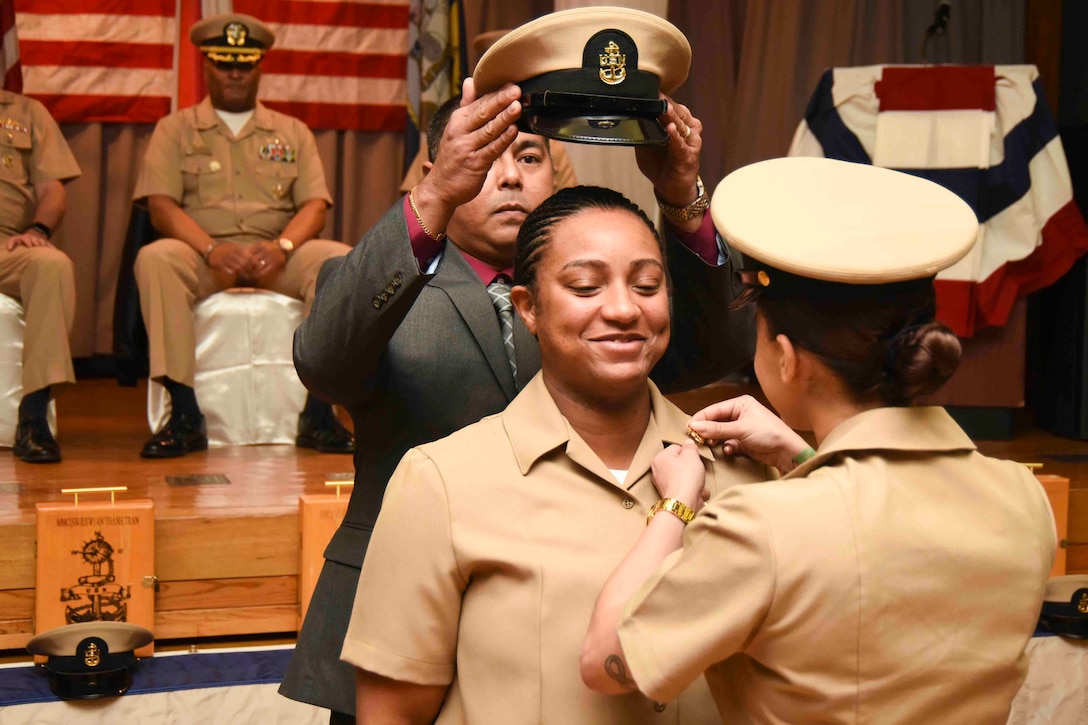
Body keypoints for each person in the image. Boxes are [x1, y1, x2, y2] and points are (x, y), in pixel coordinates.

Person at [283, 70, 752, 725]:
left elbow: (723, 346)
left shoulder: (606, 303)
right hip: (400, 634)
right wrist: (436, 197)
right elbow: (324, 361)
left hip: (575, 617)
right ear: (436, 164)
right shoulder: (387, 282)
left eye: (528, 156)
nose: (508, 176)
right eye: (482, 153)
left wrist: (681, 199)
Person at [581, 157, 1058, 724]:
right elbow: (880, 539)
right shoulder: (1020, 497)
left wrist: (675, 504)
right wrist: (803, 456)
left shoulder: (763, 530)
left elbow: (608, 660)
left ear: (786, 358)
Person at [342, 185, 767, 724]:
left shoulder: (741, 470)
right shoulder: (442, 482)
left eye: (647, 285)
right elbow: (392, 714)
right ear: (528, 309)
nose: (622, 309)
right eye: (586, 286)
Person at [132, 12, 354, 458]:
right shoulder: (175, 130)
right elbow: (161, 206)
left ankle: (319, 414)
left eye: (244, 63)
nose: (235, 72)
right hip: (203, 256)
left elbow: (314, 205)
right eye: (224, 62)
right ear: (207, 66)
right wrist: (211, 249)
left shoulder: (292, 132)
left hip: (276, 258)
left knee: (339, 262)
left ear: (259, 68)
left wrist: (282, 247)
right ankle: (184, 414)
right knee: (156, 258)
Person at [0, 91, 79, 464]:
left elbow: (52, 189)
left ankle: (32, 418)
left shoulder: (27, 112)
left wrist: (39, 229)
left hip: (8, 244)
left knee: (52, 265)